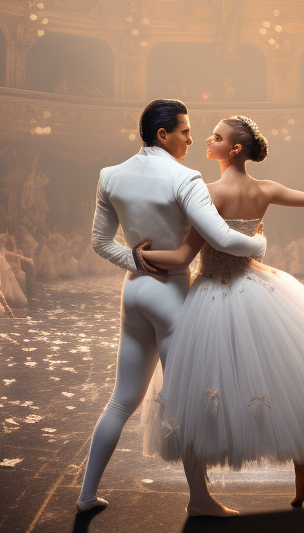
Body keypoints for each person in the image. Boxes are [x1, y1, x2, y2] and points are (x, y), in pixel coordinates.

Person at [138, 114, 304, 512]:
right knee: (282, 375)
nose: (206, 141)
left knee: (191, 389)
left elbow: (184, 253)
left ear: (233, 149)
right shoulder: (265, 189)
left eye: (215, 137)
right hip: (257, 288)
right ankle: (300, 466)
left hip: (212, 292)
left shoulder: (206, 192)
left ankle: (200, 497)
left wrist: (139, 255)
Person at [75, 100, 270, 516]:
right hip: (172, 294)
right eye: (184, 131)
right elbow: (221, 238)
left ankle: (86, 494)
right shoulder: (185, 177)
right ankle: (199, 500)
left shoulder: (111, 175)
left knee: (121, 400)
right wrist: (259, 243)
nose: (191, 139)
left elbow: (100, 242)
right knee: (188, 401)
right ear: (162, 135)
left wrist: (134, 260)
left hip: (134, 292)